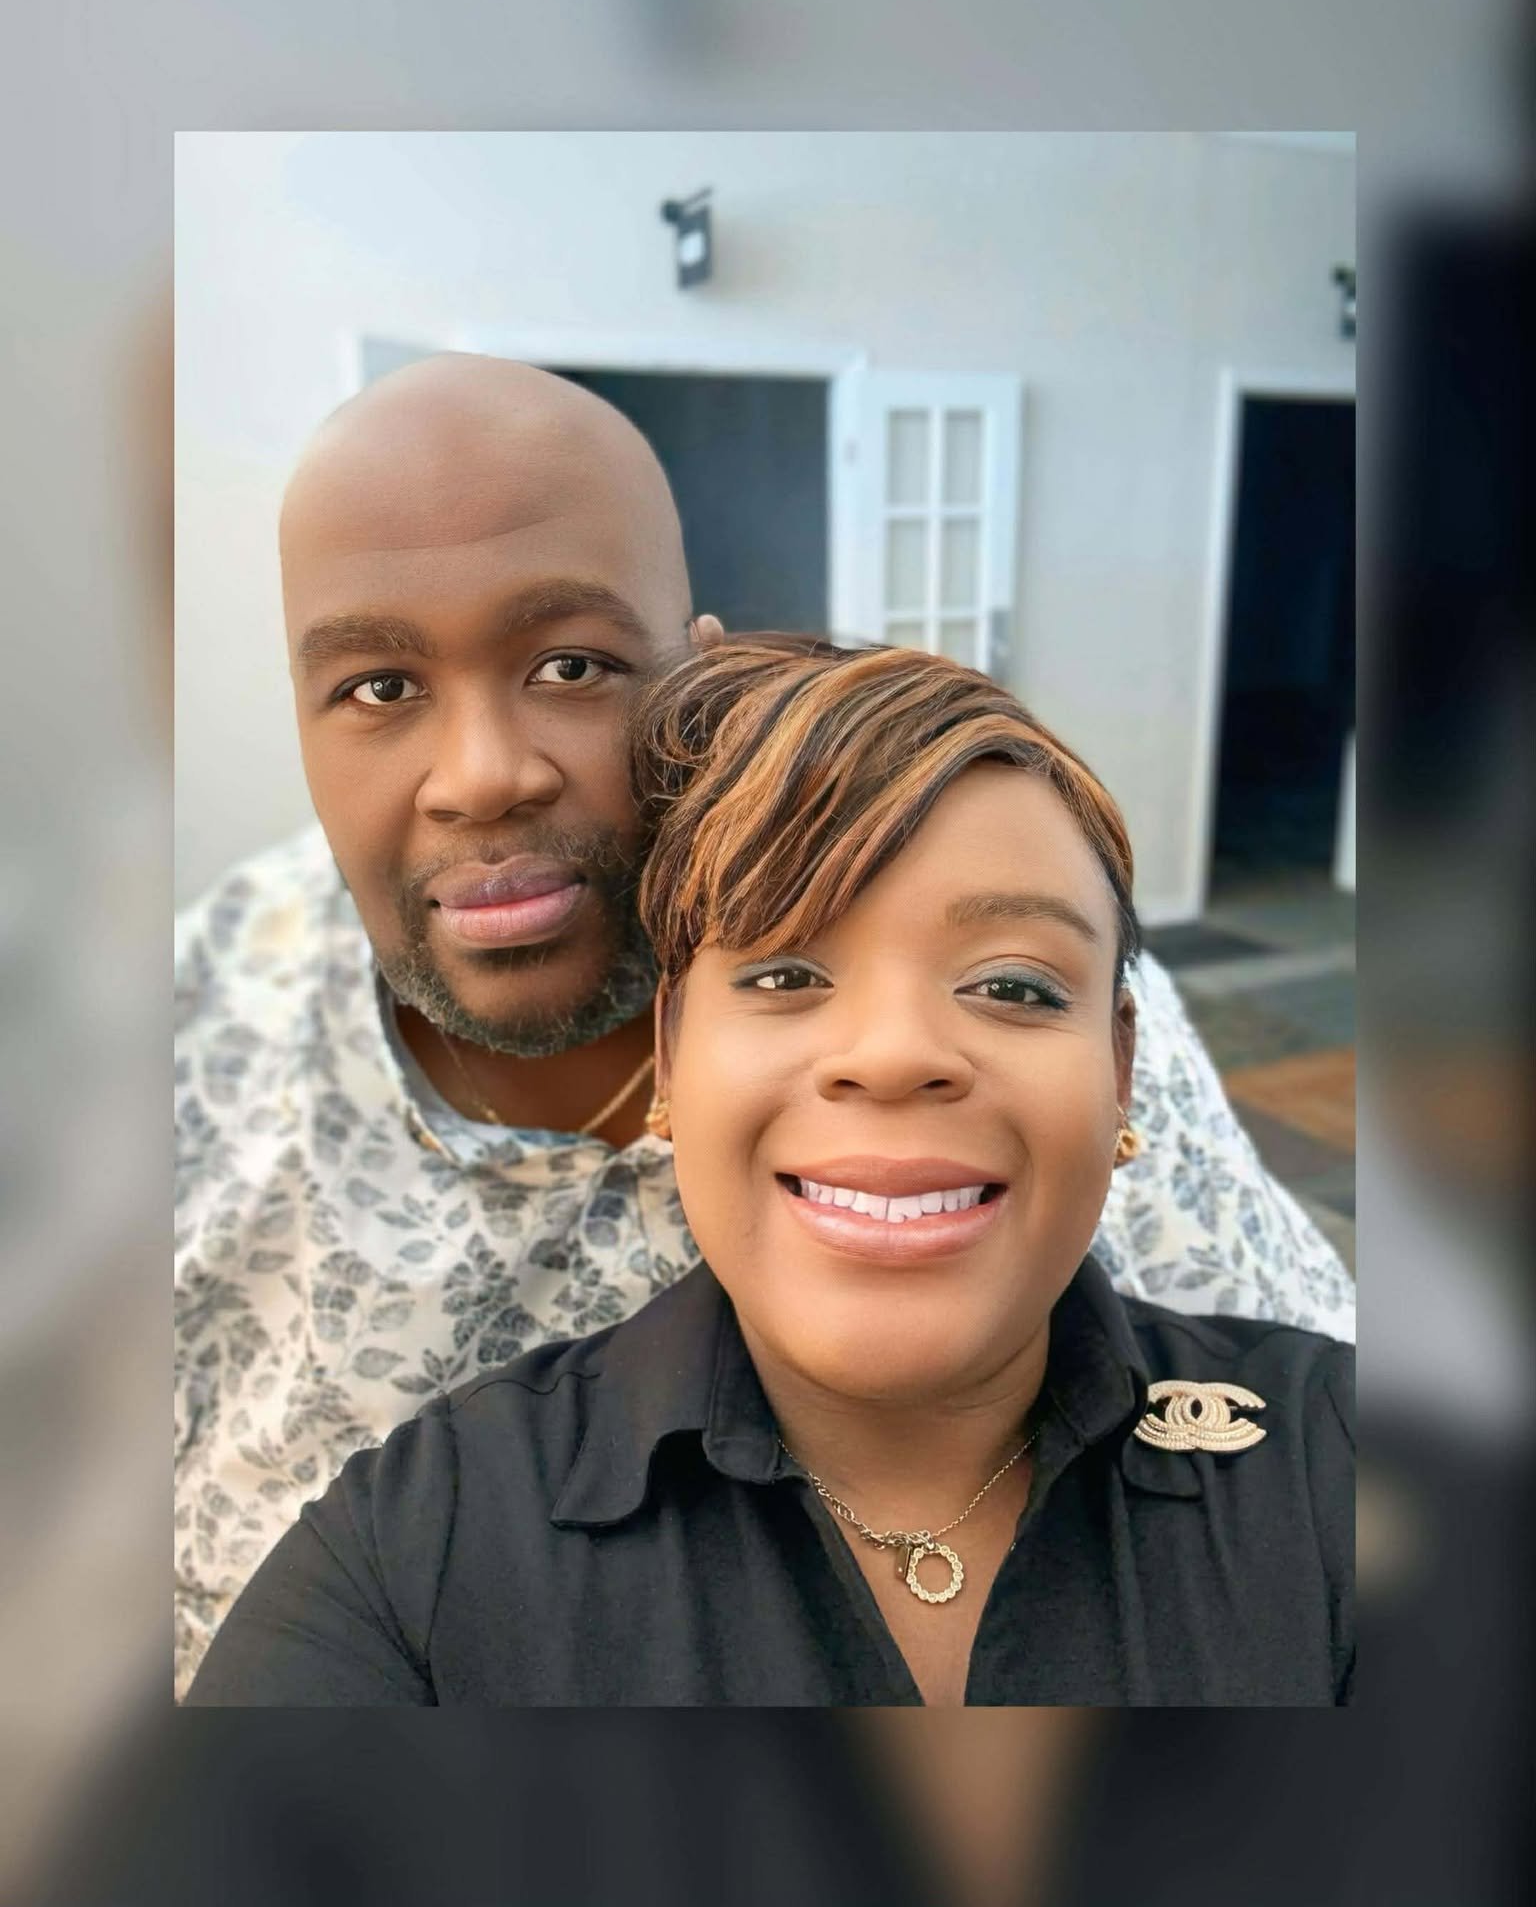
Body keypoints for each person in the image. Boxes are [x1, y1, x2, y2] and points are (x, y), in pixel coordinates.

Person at [175, 356, 1354, 1696]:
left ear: (697, 686)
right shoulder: (182, 1066)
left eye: (573, 664)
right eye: (380, 689)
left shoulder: (1040, 998)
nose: (483, 773)